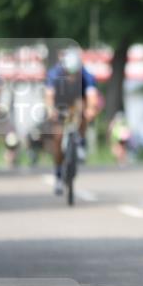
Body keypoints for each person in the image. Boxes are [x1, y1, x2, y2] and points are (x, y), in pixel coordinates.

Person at [45, 48, 99, 195]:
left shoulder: (86, 75)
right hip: (60, 102)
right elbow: (49, 95)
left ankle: (80, 142)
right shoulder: (54, 74)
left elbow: (91, 96)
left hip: (77, 101)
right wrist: (51, 111)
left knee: (84, 111)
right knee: (57, 137)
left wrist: (91, 110)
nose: (73, 77)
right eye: (70, 73)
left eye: (75, 74)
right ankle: (58, 175)